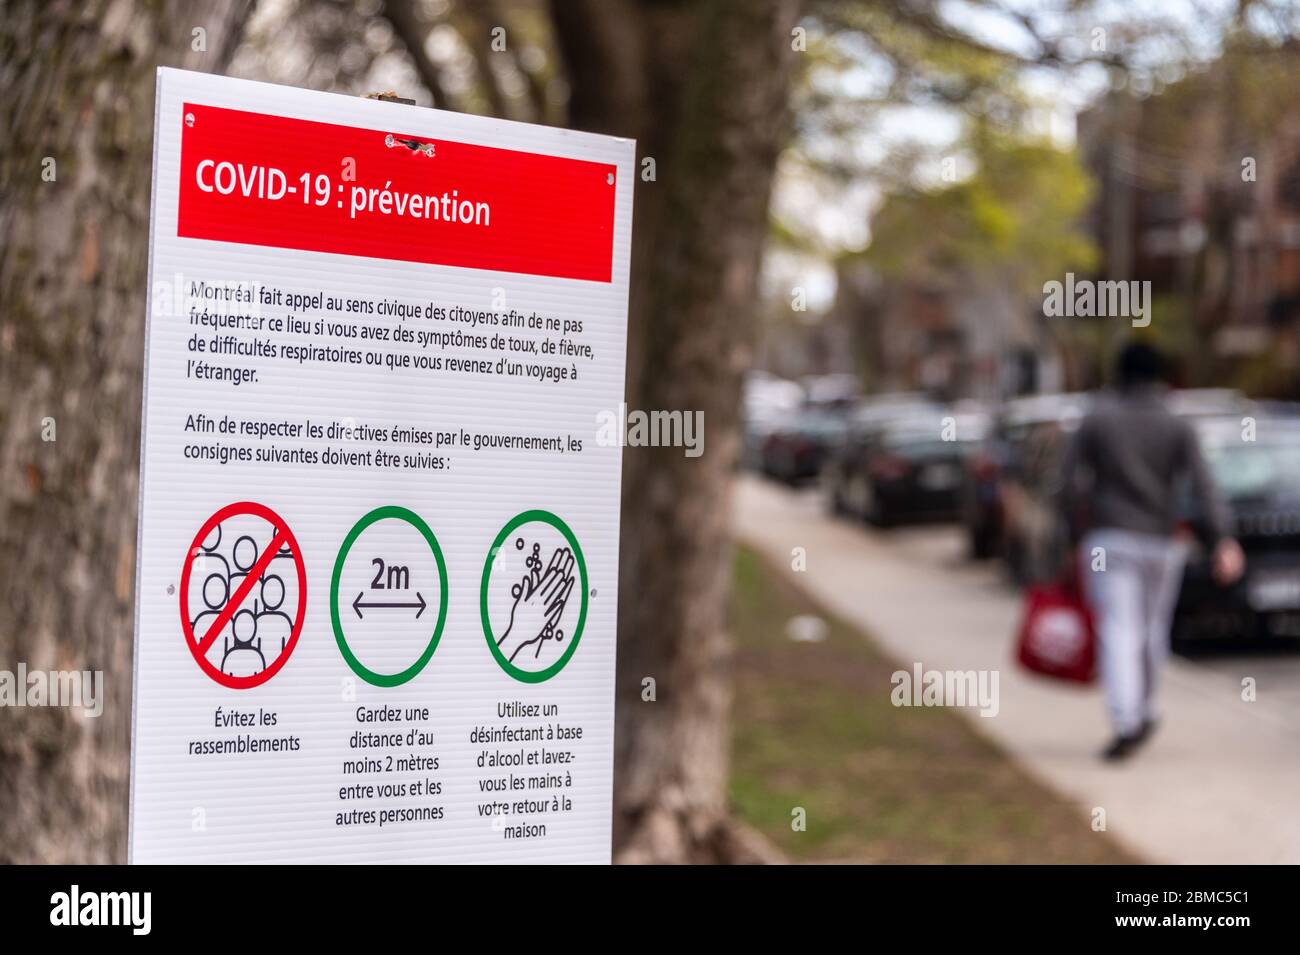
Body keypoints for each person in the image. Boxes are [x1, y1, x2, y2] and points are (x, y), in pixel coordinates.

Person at [1058, 342, 1244, 761]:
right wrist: (1222, 539)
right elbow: (1203, 486)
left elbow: (1068, 485)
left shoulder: (1098, 419)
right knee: (1151, 630)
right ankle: (1145, 708)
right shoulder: (1176, 424)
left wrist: (1072, 537)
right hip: (1162, 541)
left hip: (1109, 539)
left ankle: (1127, 719)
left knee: (1118, 629)